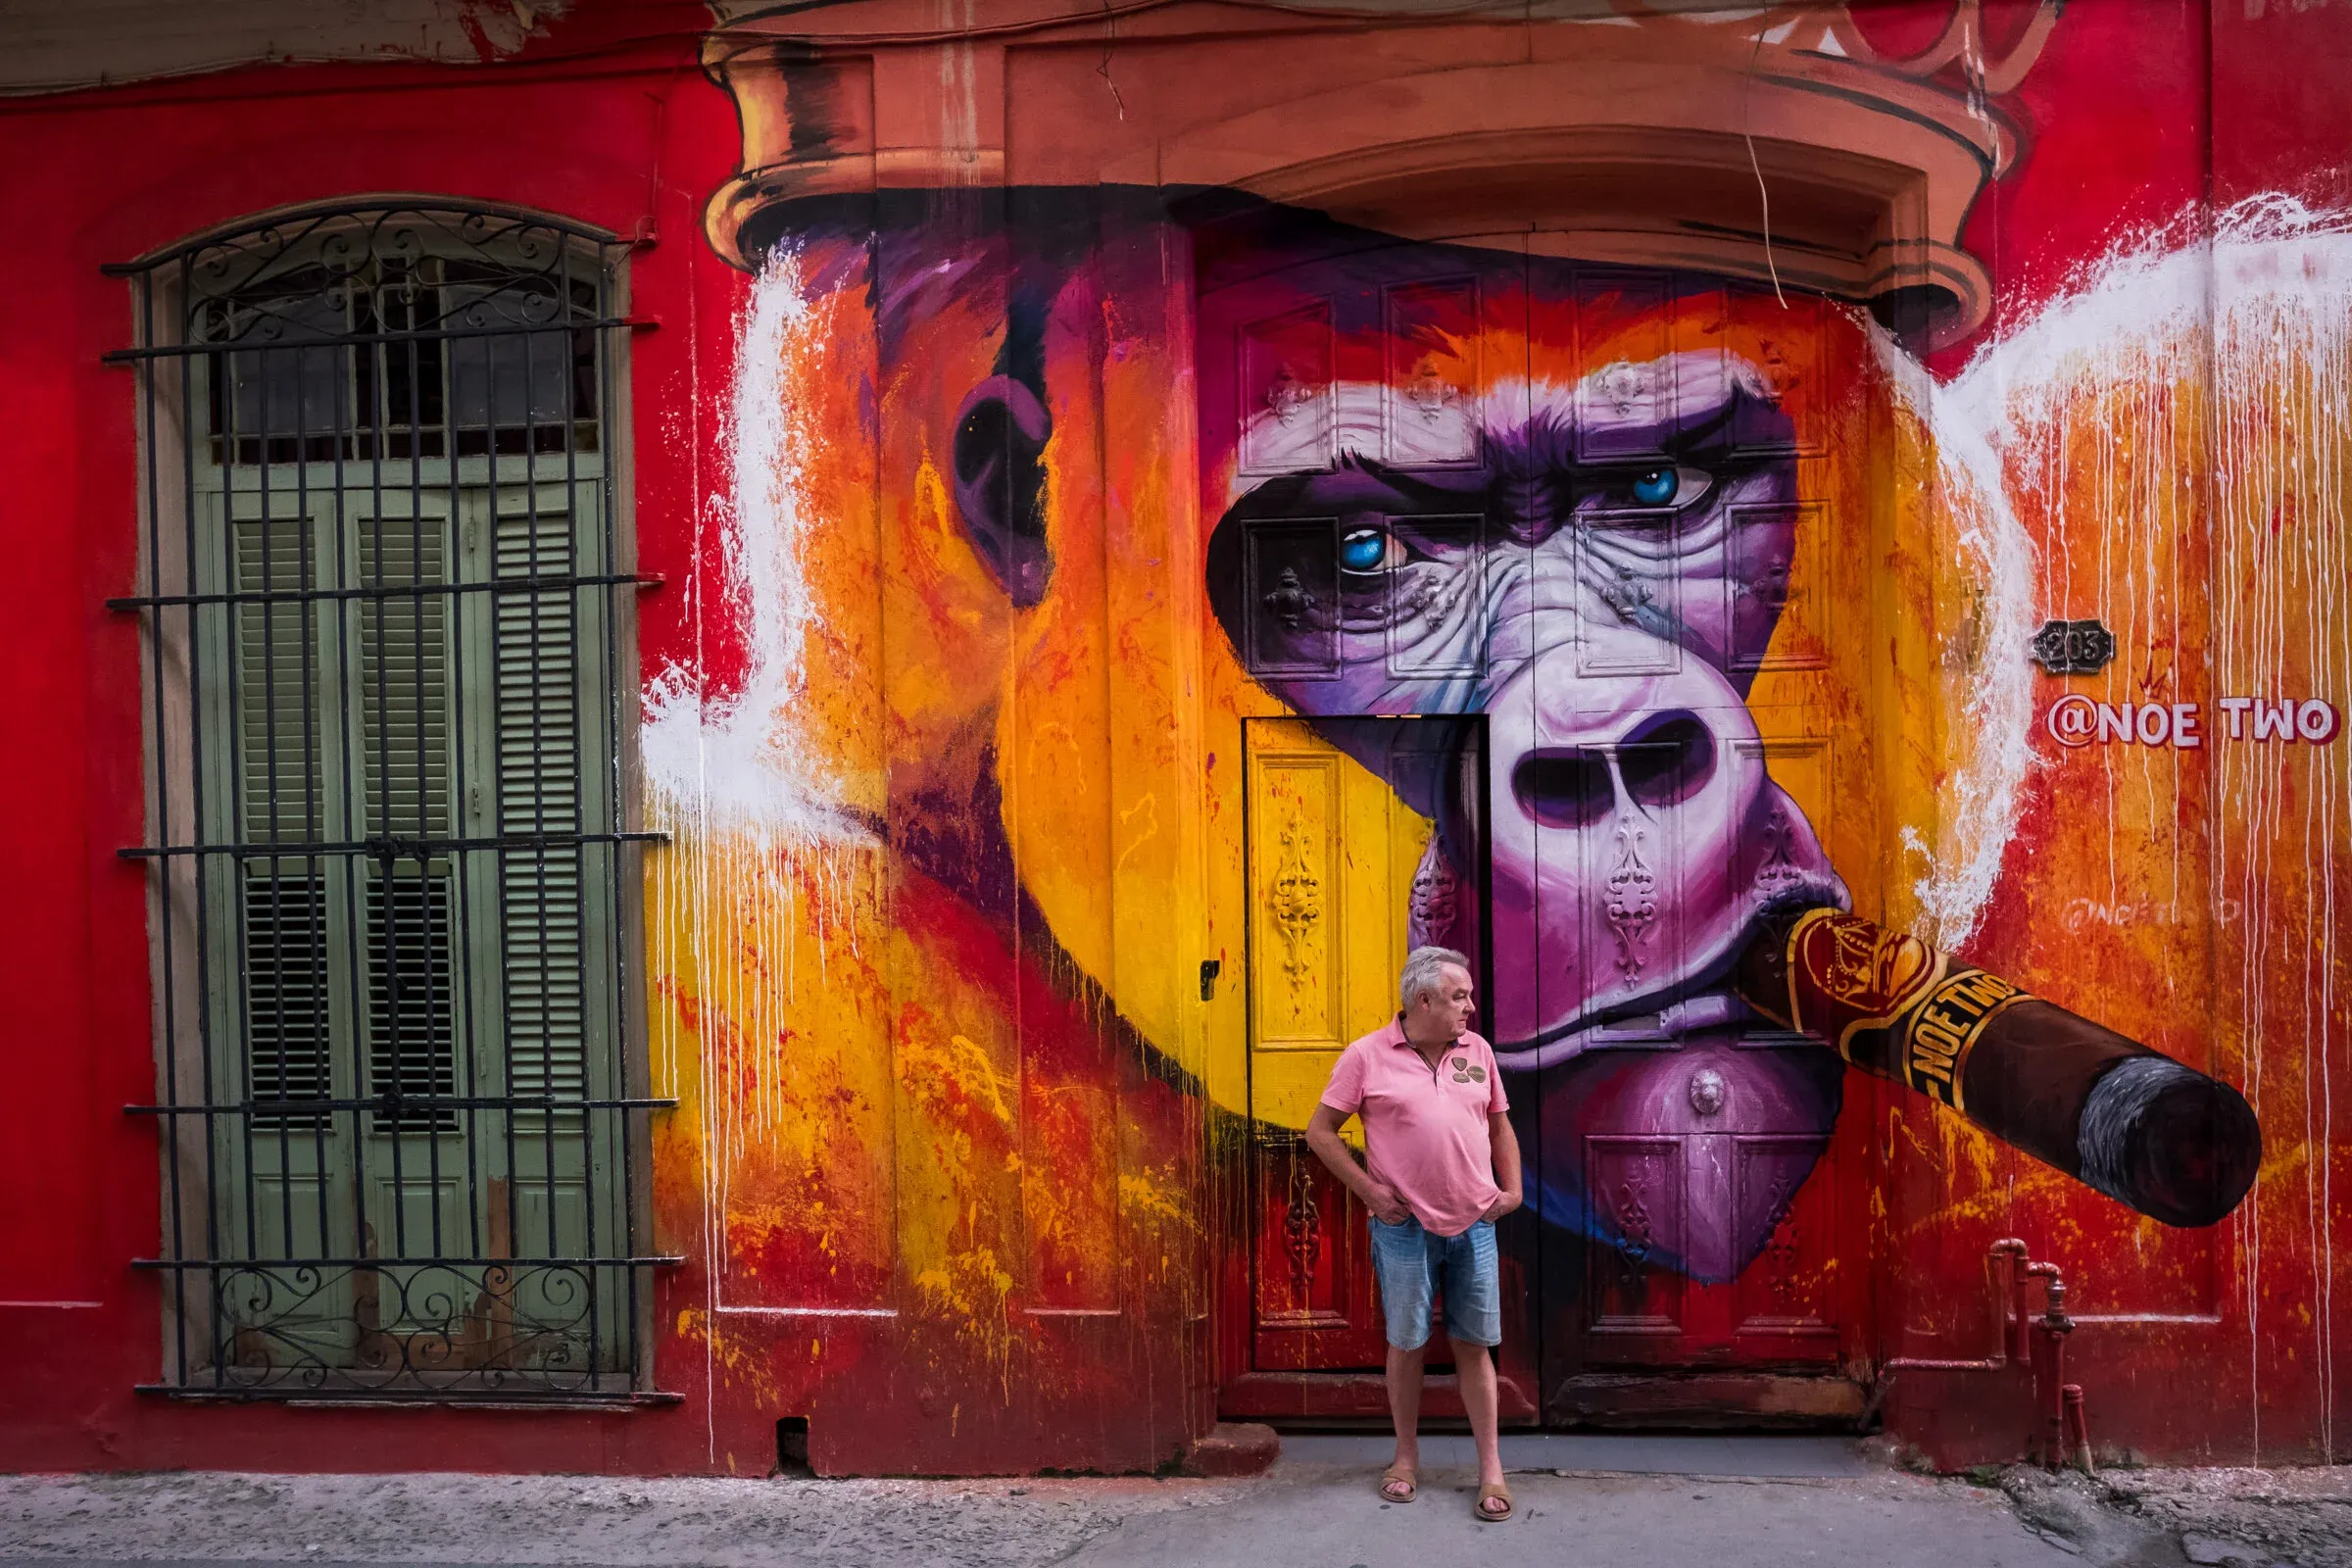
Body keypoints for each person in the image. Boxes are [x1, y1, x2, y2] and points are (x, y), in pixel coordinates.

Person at [1304, 945, 1524, 1523]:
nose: (1470, 1008)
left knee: (1475, 1346)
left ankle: (1491, 1468)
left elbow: (1500, 1125)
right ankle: (1405, 1458)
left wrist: (1514, 1190)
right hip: (1404, 1230)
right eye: (1460, 997)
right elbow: (1320, 1131)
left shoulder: (1477, 1051)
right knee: (1406, 1345)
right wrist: (1370, 1192)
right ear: (1422, 1000)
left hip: (1475, 1223)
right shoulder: (1366, 1056)